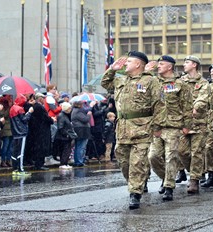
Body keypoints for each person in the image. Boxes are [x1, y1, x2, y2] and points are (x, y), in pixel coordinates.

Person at [101, 51, 160, 210]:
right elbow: (105, 83)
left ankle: (135, 193)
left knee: (137, 162)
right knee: (123, 160)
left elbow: (159, 105)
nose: (125, 63)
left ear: (138, 64)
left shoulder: (150, 81)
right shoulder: (121, 80)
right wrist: (112, 69)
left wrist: (157, 127)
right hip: (123, 128)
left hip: (142, 127)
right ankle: (136, 183)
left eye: (129, 61)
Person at [147, 55, 192, 201]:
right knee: (153, 156)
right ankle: (164, 177)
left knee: (171, 157)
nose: (158, 66)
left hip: (173, 126)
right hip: (156, 126)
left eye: (161, 64)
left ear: (169, 67)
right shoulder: (153, 82)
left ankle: (169, 187)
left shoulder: (180, 84)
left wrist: (186, 125)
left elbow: (187, 106)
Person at [177, 55, 210, 194]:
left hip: (199, 123)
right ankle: (195, 171)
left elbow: (203, 98)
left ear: (195, 65)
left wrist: (195, 107)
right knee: (181, 151)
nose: (184, 64)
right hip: (182, 123)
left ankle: (194, 180)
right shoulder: (179, 81)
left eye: (187, 62)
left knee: (197, 152)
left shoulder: (203, 83)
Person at [10, 94, 34, 176]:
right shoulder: (20, 109)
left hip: (14, 132)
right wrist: (29, 113)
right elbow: (24, 120)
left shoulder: (12, 108)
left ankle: (15, 169)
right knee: (20, 152)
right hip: (21, 132)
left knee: (15, 151)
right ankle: (21, 169)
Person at [31, 93, 54, 170]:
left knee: (39, 146)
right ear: (40, 98)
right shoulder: (39, 107)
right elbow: (45, 117)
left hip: (38, 129)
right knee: (41, 147)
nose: (44, 100)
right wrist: (52, 120)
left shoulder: (35, 106)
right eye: (43, 98)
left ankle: (39, 163)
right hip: (42, 130)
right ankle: (39, 164)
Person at [71, 101, 91, 167]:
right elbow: (85, 119)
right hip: (82, 130)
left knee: (77, 146)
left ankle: (77, 161)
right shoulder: (78, 111)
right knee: (81, 146)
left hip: (78, 130)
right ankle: (79, 161)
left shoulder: (74, 110)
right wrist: (89, 115)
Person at [54, 102, 74, 169]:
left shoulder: (66, 115)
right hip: (63, 137)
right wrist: (67, 135)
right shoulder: (61, 116)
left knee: (67, 150)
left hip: (65, 136)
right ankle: (63, 163)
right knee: (65, 150)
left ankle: (65, 163)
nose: (70, 109)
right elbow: (61, 127)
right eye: (69, 108)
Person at [0, 95, 13, 167]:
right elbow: (3, 115)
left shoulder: (11, 106)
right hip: (5, 129)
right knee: (5, 145)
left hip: (11, 128)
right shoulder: (2, 107)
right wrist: (9, 108)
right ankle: (3, 160)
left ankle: (8, 160)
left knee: (10, 146)